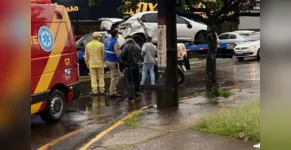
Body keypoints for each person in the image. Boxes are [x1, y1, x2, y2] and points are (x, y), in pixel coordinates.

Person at [119, 36, 143, 102]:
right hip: (137, 66)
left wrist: (123, 63)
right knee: (136, 81)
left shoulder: (126, 46)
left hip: (129, 66)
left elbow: (121, 57)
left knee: (129, 81)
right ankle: (137, 94)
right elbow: (141, 56)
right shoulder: (137, 46)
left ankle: (131, 97)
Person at [104, 29, 121, 97]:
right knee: (115, 77)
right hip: (113, 61)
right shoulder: (115, 43)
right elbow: (118, 54)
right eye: (118, 33)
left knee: (115, 75)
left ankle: (112, 89)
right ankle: (112, 92)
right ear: (116, 34)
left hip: (107, 60)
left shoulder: (107, 40)